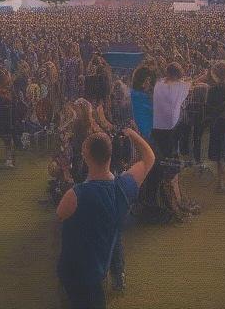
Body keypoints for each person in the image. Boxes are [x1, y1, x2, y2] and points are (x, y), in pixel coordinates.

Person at [56, 127, 155, 309]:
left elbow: (61, 214)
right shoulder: (123, 188)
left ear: (85, 156)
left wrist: (66, 176)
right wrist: (132, 133)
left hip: (74, 272)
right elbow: (149, 157)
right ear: (111, 154)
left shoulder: (75, 195)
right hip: (98, 270)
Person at [205, 62, 225, 193]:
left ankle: (221, 183)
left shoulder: (212, 90)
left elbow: (208, 109)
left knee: (220, 156)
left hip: (217, 124)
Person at [151, 63, 189, 157]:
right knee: (171, 151)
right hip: (172, 123)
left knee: (161, 150)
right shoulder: (181, 86)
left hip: (157, 123)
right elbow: (187, 86)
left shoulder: (158, 85)